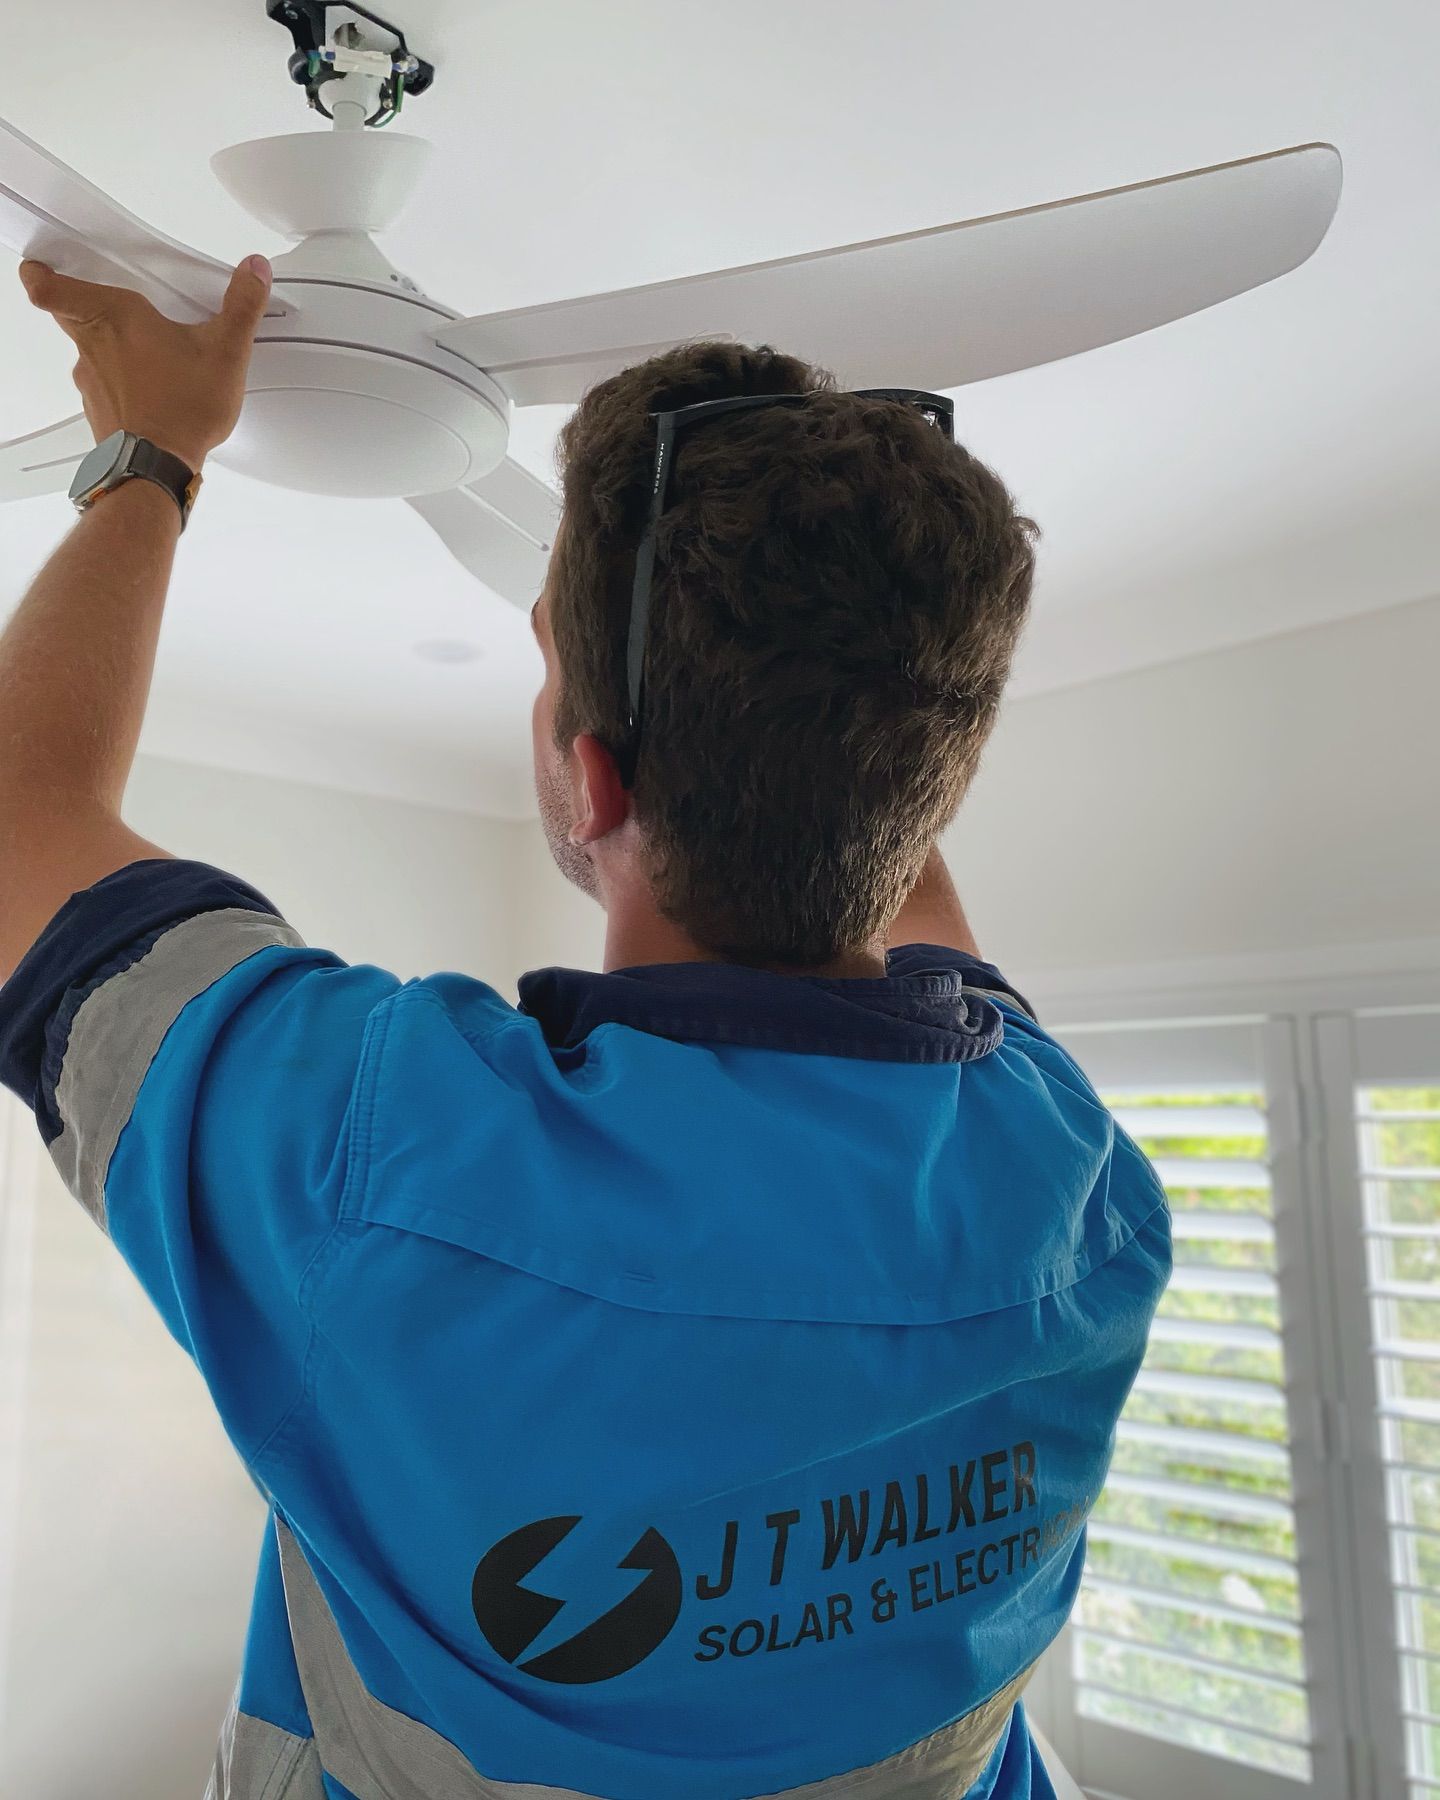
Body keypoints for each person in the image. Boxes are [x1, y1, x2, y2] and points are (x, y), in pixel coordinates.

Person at [0, 252, 1171, 1800]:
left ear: (594, 775)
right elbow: (909, 883)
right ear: (929, 776)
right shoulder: (1070, 1174)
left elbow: (23, 814)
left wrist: (150, 449)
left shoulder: (384, 1164)